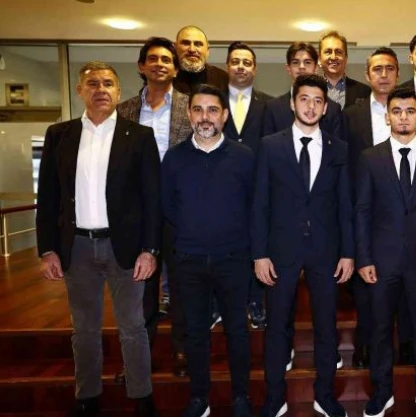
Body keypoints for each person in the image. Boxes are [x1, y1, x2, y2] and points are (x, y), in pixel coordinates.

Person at [36, 61, 160, 417]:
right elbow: (48, 197)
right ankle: (87, 396)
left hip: (126, 249)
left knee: (133, 327)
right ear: (80, 91)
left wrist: (150, 250)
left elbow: (152, 199)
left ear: (119, 92)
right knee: (84, 329)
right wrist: (47, 249)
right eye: (92, 83)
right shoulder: (59, 135)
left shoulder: (139, 136)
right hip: (76, 248)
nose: (100, 89)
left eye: (108, 83)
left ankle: (141, 396)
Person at [253, 74, 354, 417]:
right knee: (277, 326)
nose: (310, 106)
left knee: (326, 326)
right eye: (304, 99)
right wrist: (260, 253)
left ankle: (325, 395)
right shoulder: (270, 145)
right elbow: (260, 204)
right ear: (292, 103)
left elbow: (345, 204)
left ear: (325, 108)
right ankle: (274, 397)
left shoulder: (339, 148)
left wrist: (348, 252)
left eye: (317, 101)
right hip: (280, 250)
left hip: (326, 250)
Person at [355, 87, 416, 417]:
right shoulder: (370, 158)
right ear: (387, 117)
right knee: (381, 332)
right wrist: (364, 258)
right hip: (381, 263)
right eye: (396, 111)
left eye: (410, 111)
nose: (403, 117)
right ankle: (382, 393)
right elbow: (362, 211)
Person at [161, 83, 256, 417]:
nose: (205, 117)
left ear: (224, 115)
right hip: (188, 261)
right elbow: (168, 207)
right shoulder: (174, 158)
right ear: (189, 115)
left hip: (234, 260)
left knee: (237, 331)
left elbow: (254, 207)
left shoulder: (244, 157)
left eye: (213, 110)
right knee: (196, 333)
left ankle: (241, 397)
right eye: (198, 110)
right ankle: (199, 398)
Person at [117, 36, 192, 380]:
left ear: (175, 69)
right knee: (140, 287)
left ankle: (183, 349)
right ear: (141, 66)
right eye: (153, 59)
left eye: (166, 60)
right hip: (137, 212)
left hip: (180, 210)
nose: (160, 64)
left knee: (182, 284)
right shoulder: (124, 111)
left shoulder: (191, 107)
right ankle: (139, 355)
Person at [343, 47, 413, 368]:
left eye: (389, 68)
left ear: (398, 73)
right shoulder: (351, 115)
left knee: (409, 287)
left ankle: (408, 344)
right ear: (367, 75)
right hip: (367, 212)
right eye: (377, 69)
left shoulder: (412, 110)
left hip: (407, 215)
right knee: (366, 285)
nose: (383, 75)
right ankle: (366, 344)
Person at [223, 41, 273, 330]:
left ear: (255, 69)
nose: (241, 67)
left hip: (258, 187)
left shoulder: (270, 104)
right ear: (227, 66)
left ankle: (255, 300)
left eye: (247, 62)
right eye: (235, 61)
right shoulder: (212, 101)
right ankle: (224, 303)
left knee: (258, 243)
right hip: (222, 187)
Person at [262, 42, 343, 139]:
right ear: (288, 68)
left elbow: (337, 146)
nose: (301, 67)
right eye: (295, 62)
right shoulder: (273, 108)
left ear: (316, 68)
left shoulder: (332, 109)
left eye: (307, 62)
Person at [319, 30, 371, 109]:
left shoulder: (364, 91)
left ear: (346, 58)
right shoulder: (310, 89)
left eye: (338, 52)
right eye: (328, 52)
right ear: (319, 59)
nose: (333, 57)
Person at [173, 25, 229, 94]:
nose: (192, 49)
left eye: (198, 44)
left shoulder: (223, 79)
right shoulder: (166, 78)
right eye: (186, 43)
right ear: (175, 47)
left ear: (207, 50)